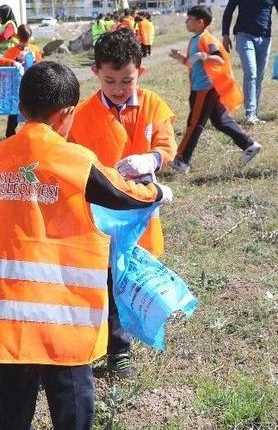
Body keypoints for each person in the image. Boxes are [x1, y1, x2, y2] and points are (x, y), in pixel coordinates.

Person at [0, 61, 172, 430]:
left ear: (22, 107)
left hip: (8, 312)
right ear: (66, 115)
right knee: (72, 405)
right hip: (63, 315)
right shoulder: (75, 162)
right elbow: (123, 196)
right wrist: (158, 191)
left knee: (13, 410)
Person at [67, 28, 176, 379]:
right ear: (95, 72)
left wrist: (152, 160)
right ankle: (115, 348)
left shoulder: (153, 105)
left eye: (126, 81)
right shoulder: (81, 116)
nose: (117, 88)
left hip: (139, 209)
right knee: (104, 277)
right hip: (99, 212)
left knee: (131, 275)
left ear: (140, 73)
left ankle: (124, 341)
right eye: (110, 80)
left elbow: (166, 146)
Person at [168, 6, 261, 173]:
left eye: (189, 19)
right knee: (220, 121)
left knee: (194, 124)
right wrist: (180, 57)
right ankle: (249, 145)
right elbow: (191, 62)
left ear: (200, 22)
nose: (186, 22)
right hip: (202, 88)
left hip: (205, 89)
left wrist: (203, 56)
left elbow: (218, 59)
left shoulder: (207, 39)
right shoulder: (195, 39)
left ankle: (181, 160)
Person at [222, 0, 278, 125]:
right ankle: (250, 113)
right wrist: (225, 35)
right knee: (250, 72)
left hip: (265, 37)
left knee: (258, 76)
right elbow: (229, 11)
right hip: (244, 35)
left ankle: (254, 113)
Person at [3, 24, 43, 138]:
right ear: (18, 37)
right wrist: (15, 60)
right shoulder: (11, 51)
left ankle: (32, 131)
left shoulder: (34, 49)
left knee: (33, 108)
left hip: (32, 83)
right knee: (15, 108)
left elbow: (41, 64)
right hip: (16, 85)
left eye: (27, 39)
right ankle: (10, 133)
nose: (25, 42)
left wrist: (35, 61)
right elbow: (4, 63)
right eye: (23, 39)